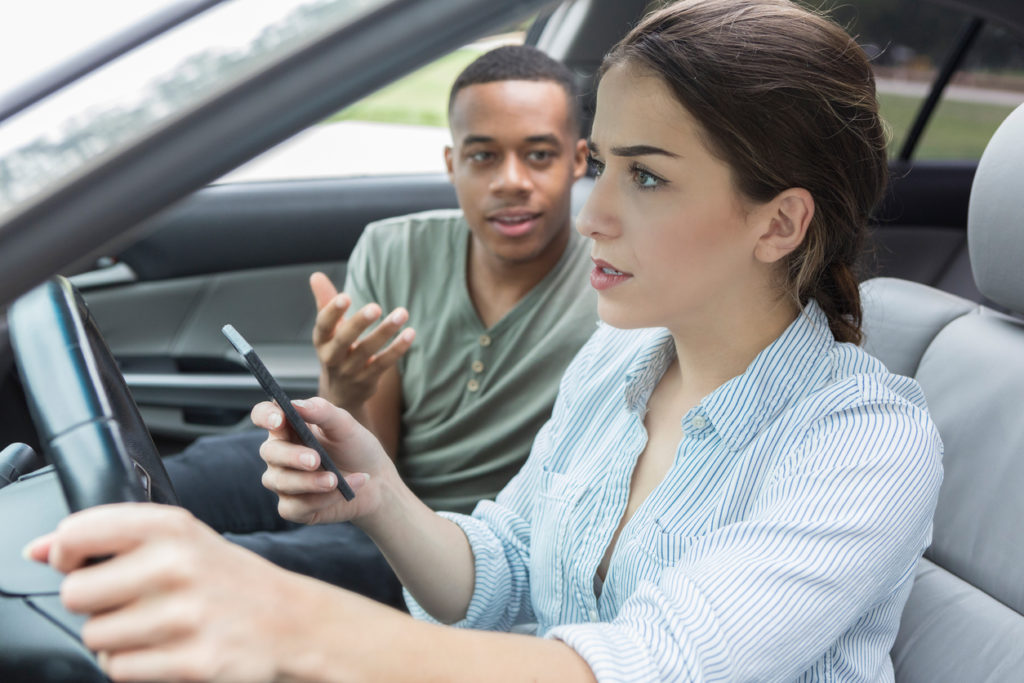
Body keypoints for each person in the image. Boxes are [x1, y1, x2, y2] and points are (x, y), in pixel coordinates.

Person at [26, 1, 944, 680]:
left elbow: (651, 664)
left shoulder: (863, 442)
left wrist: (285, 617)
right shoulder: (619, 361)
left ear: (778, 223)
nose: (596, 216)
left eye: (649, 179)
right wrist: (379, 494)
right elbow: (503, 568)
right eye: (604, 166)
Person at [161, 44, 594, 604]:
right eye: (483, 156)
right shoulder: (394, 247)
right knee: (157, 483)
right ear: (450, 162)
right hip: (363, 477)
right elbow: (369, 461)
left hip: (450, 544)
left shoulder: (613, 282)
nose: (511, 180)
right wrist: (343, 386)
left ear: (579, 160)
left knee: (208, 576)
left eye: (539, 155)